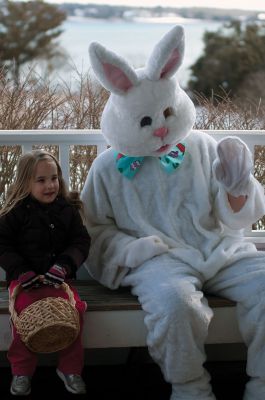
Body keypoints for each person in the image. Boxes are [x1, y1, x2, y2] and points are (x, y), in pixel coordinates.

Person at [81, 25, 265, 400]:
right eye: (147, 121)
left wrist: (238, 188)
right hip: (159, 258)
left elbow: (234, 216)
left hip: (219, 249)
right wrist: (131, 250)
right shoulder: (106, 168)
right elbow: (94, 229)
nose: (162, 127)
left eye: (167, 112)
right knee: (175, 305)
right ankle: (190, 388)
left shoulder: (201, 146)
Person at [0, 149, 91, 396]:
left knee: (74, 313)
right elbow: (3, 245)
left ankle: (70, 368)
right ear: (25, 183)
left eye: (54, 178)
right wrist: (21, 271)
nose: (50, 185)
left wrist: (64, 265)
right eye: (41, 180)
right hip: (25, 282)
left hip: (57, 280)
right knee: (24, 316)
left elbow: (80, 242)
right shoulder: (16, 212)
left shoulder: (67, 210)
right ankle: (22, 371)